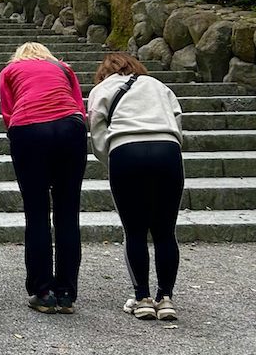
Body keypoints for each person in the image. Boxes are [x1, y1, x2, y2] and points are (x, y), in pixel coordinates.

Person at [88, 53, 184, 322]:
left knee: (135, 230)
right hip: (167, 149)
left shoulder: (102, 88)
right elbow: (177, 117)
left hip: (126, 150)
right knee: (165, 231)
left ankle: (142, 298)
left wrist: (109, 157)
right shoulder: (157, 85)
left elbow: (96, 125)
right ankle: (166, 299)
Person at [0, 41, 87, 315]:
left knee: (36, 213)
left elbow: (8, 111)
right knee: (67, 212)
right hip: (70, 127)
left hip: (29, 127)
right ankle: (66, 292)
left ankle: (43, 291)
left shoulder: (10, 70)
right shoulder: (63, 68)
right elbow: (79, 104)